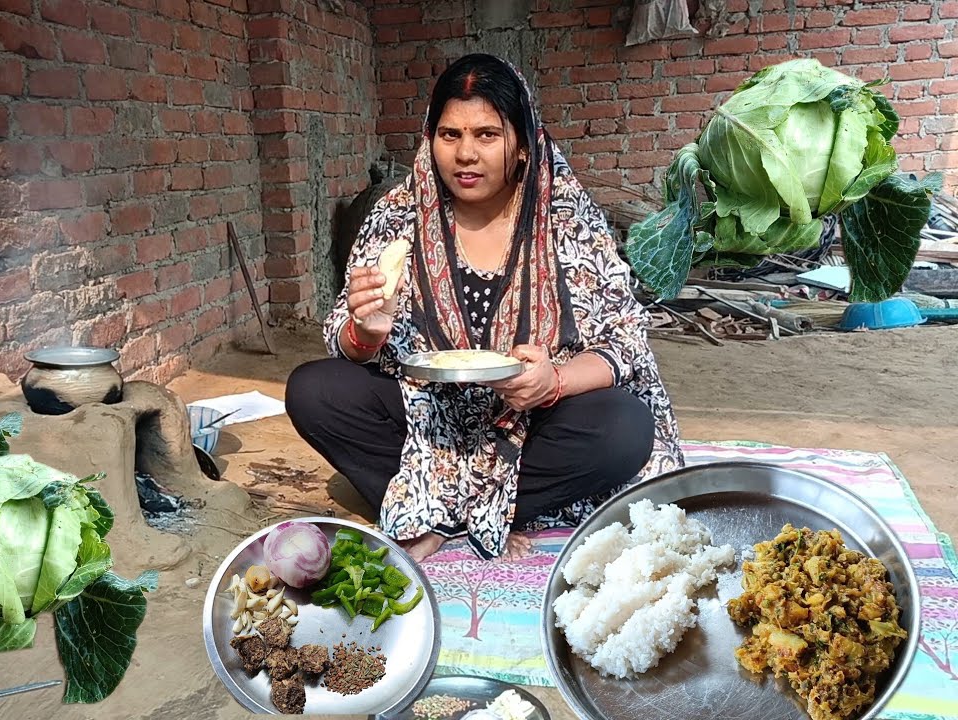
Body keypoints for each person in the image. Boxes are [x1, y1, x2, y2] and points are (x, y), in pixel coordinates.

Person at [285, 54, 684, 563]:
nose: (465, 154)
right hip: (429, 416)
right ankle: (485, 507)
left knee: (624, 425)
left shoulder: (562, 215)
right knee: (314, 390)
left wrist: (553, 382)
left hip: (532, 418)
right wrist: (366, 331)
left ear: (521, 143)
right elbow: (348, 338)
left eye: (487, 135)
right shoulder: (399, 213)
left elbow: (624, 338)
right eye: (450, 135)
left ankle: (444, 511)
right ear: (431, 139)